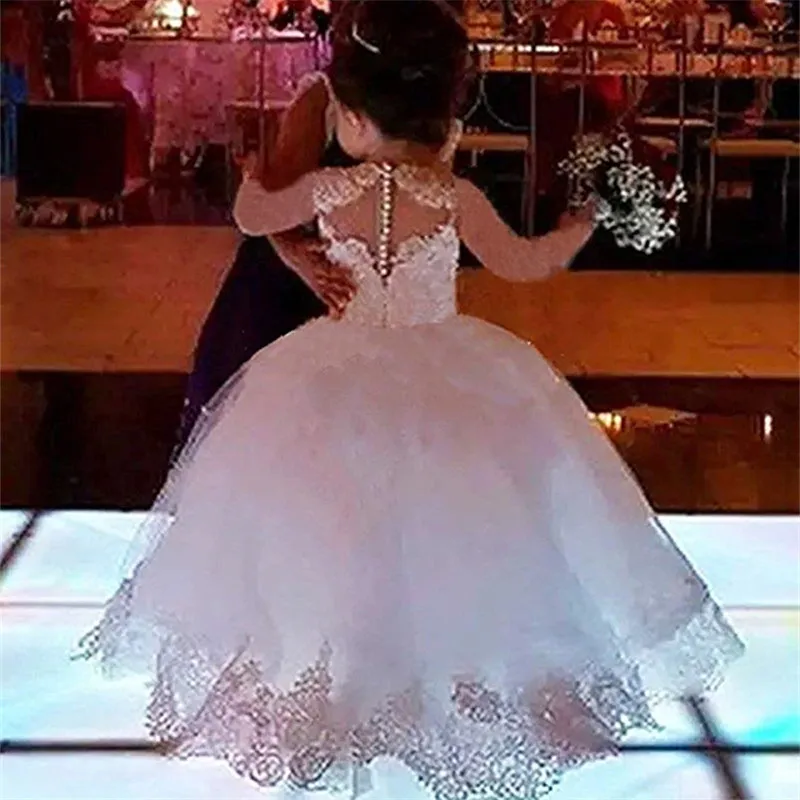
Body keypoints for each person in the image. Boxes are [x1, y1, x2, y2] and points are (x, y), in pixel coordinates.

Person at [80, 2, 742, 798]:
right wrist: (584, 221)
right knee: (461, 520)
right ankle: (439, 666)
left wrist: (255, 172)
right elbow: (526, 263)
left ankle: (338, 666)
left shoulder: (328, 186)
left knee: (331, 520)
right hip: (447, 367)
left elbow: (252, 215)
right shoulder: (454, 196)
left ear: (353, 120)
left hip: (331, 368)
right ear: (446, 122)